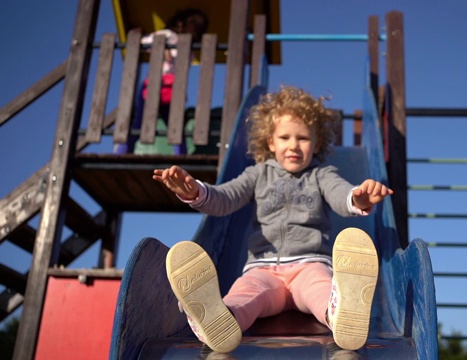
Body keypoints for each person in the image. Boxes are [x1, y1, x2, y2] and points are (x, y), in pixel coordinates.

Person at [153, 86, 393, 353]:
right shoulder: (257, 174)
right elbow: (225, 198)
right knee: (247, 296)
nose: (293, 145)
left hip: (310, 264)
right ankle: (221, 319)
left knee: (321, 290)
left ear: (316, 143)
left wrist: (359, 198)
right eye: (285, 137)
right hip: (263, 268)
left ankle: (342, 315)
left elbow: (341, 195)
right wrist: (195, 191)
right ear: (271, 142)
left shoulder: (322, 175)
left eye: (303, 138)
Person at [114, 8, 209, 155]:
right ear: (181, 23)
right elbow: (145, 42)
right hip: (155, 85)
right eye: (194, 24)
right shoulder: (168, 35)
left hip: (172, 89)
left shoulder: (189, 50)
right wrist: (160, 44)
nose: (196, 29)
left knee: (175, 125)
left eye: (199, 28)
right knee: (140, 122)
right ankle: (122, 151)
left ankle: (180, 155)